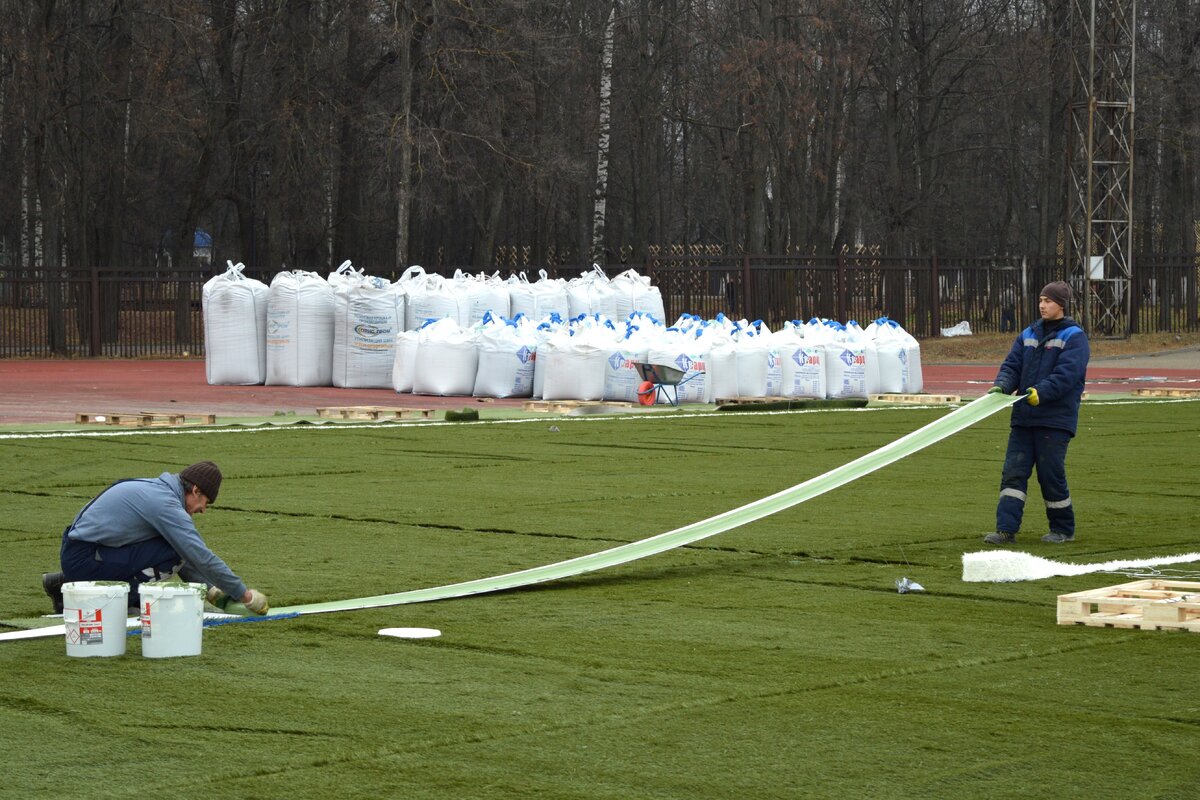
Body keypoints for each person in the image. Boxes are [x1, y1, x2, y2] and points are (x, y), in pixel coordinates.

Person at [41, 461, 269, 615]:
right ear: (196, 490)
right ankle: (123, 600)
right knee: (175, 551)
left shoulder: (159, 490)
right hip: (85, 558)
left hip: (83, 552)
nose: (203, 510)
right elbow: (198, 555)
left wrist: (210, 590)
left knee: (173, 547)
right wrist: (245, 594)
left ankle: (64, 583)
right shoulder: (165, 504)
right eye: (205, 502)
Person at [983, 281, 1089, 545]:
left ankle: (1063, 529)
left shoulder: (1074, 337)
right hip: (1023, 418)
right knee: (1013, 473)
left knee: (1050, 474)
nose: (1042, 305)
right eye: (1041, 300)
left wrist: (1039, 392)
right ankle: (1006, 530)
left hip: (1054, 420)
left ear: (1061, 305)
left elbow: (1066, 376)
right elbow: (1012, 365)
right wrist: (1002, 386)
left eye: (1048, 301)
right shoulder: (1029, 333)